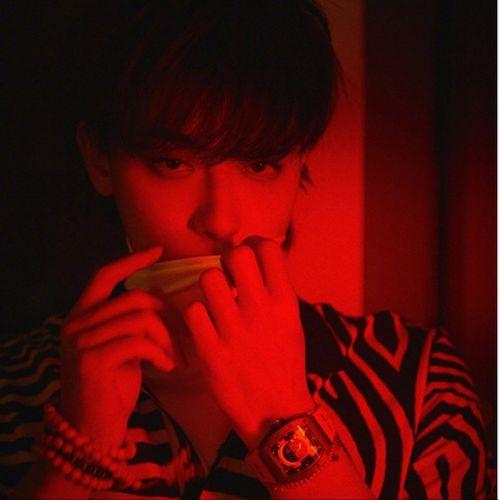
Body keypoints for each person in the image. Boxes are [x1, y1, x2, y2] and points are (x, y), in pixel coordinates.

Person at [1, 1, 491, 498]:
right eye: (173, 163)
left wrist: (282, 416)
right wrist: (76, 450)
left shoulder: (416, 380)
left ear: (299, 166)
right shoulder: (18, 385)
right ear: (100, 160)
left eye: (258, 165)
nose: (220, 220)